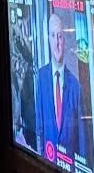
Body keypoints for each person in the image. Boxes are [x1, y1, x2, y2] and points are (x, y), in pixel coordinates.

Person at [34, 10, 82, 162]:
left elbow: (82, 140)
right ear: (48, 39)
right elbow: (39, 127)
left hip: (70, 171)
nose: (57, 43)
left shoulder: (75, 86)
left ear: (65, 40)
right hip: (47, 163)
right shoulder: (40, 78)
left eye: (60, 36)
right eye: (53, 36)